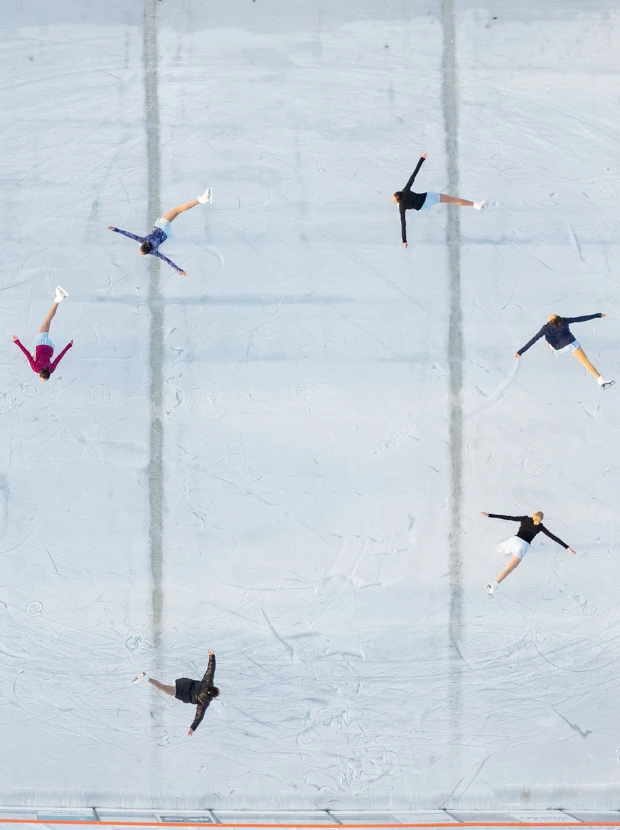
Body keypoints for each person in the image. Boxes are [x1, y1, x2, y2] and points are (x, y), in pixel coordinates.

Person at [108, 188, 212, 276]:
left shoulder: (154, 252)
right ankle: (201, 200)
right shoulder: (143, 240)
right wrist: (116, 230)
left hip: (165, 233)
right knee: (178, 209)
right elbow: (129, 235)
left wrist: (179, 271)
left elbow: (167, 260)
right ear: (143, 245)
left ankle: (201, 200)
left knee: (179, 211)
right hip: (161, 226)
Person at [393, 153, 487, 247]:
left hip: (424, 207)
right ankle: (475, 205)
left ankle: (412, 206)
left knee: (410, 206)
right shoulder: (405, 191)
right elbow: (413, 175)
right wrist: (422, 159)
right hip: (430, 198)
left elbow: (403, 223)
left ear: (399, 200)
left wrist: (404, 241)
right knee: (453, 199)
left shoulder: (402, 206)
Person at [481, 511, 576, 597]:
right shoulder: (540, 527)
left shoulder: (525, 518)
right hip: (522, 546)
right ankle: (494, 584)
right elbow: (552, 537)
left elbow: (508, 517)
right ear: (541, 519)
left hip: (514, 541)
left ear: (533, 515)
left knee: (502, 547)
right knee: (509, 568)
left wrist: (489, 515)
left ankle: (505, 550)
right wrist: (567, 547)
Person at [515, 312, 614, 389]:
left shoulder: (546, 328)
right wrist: (598, 315)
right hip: (571, 344)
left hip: (559, 347)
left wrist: (520, 352)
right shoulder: (564, 321)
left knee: (548, 339)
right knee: (585, 361)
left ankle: (552, 347)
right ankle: (599, 379)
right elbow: (580, 319)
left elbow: (534, 339)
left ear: (550, 321)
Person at [132, 650, 220, 735]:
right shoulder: (204, 703)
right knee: (161, 687)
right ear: (212, 696)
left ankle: (147, 678)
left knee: (163, 687)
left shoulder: (208, 682)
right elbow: (199, 716)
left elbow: (211, 670)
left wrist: (212, 656)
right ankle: (147, 678)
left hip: (183, 684)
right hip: (181, 693)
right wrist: (192, 728)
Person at [12, 286, 72, 381]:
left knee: (48, 322)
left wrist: (69, 345)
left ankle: (59, 299)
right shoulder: (35, 368)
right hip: (42, 344)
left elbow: (59, 357)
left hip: (50, 348)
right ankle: (58, 300)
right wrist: (17, 342)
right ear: (40, 374)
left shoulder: (51, 370)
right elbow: (27, 354)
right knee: (47, 321)